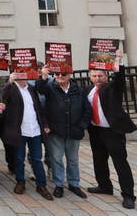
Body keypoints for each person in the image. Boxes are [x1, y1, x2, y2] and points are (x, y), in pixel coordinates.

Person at [86, 50, 135, 209]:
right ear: (90, 77)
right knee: (99, 161)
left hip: (112, 132)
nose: (97, 79)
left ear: (106, 77)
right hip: (95, 131)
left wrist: (119, 60)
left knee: (120, 163)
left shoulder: (112, 89)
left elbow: (120, 78)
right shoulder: (88, 91)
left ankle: (128, 195)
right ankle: (104, 186)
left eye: (100, 76)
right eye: (94, 76)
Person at [36, 65, 91, 199]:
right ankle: (59, 184)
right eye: (57, 73)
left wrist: (81, 126)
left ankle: (74, 184)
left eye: (64, 73)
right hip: (56, 131)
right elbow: (39, 88)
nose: (60, 75)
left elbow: (87, 110)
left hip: (74, 131)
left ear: (70, 74)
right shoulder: (49, 88)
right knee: (56, 159)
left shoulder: (78, 89)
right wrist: (43, 76)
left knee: (73, 160)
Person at [2, 72, 53, 201]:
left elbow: (39, 109)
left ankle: (41, 185)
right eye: (19, 74)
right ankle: (20, 182)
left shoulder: (31, 89)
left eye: (24, 74)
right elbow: (3, 98)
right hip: (19, 130)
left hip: (34, 129)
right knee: (19, 158)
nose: (21, 76)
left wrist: (45, 124)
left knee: (37, 159)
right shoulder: (11, 88)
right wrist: (10, 82)